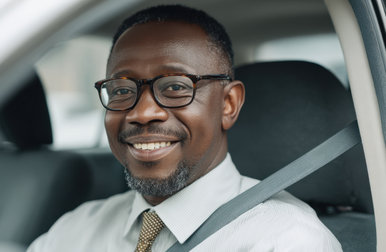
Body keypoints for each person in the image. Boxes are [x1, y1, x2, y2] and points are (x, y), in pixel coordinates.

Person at [28, 5, 342, 251]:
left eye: (176, 87)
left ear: (228, 104)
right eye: (122, 90)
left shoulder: (284, 241)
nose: (143, 112)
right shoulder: (75, 229)